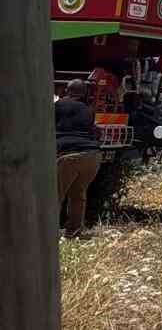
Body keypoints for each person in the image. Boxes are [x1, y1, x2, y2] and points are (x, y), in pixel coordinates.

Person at [56, 80, 102, 238]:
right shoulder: (88, 110)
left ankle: (45, 233)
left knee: (54, 195)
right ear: (84, 93)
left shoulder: (59, 105)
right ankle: (74, 231)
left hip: (70, 156)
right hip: (93, 156)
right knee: (78, 194)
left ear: (67, 90)